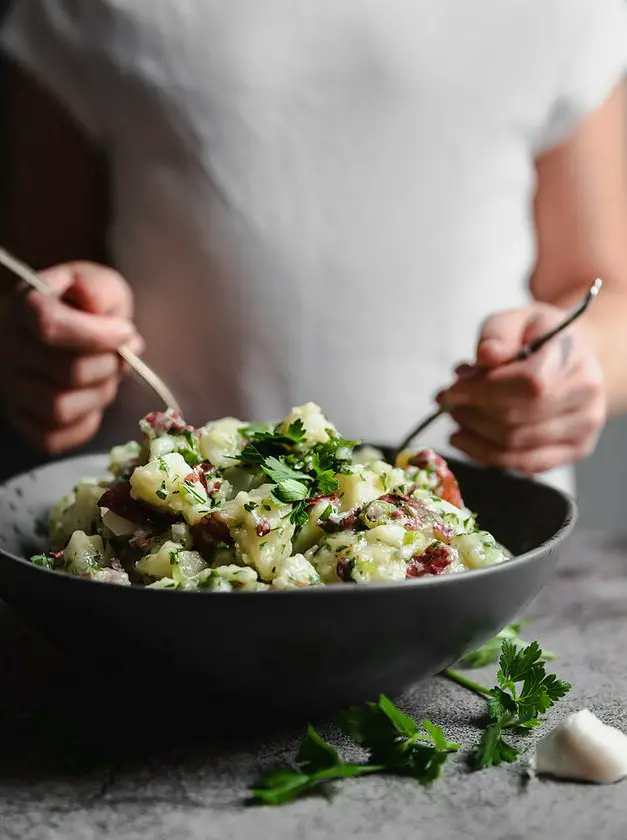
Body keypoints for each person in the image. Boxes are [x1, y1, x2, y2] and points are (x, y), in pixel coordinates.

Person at [0, 0, 626, 493]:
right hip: (151, 544)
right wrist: (48, 348)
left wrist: (580, 365)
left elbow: (609, 290)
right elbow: (30, 285)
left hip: (482, 544)